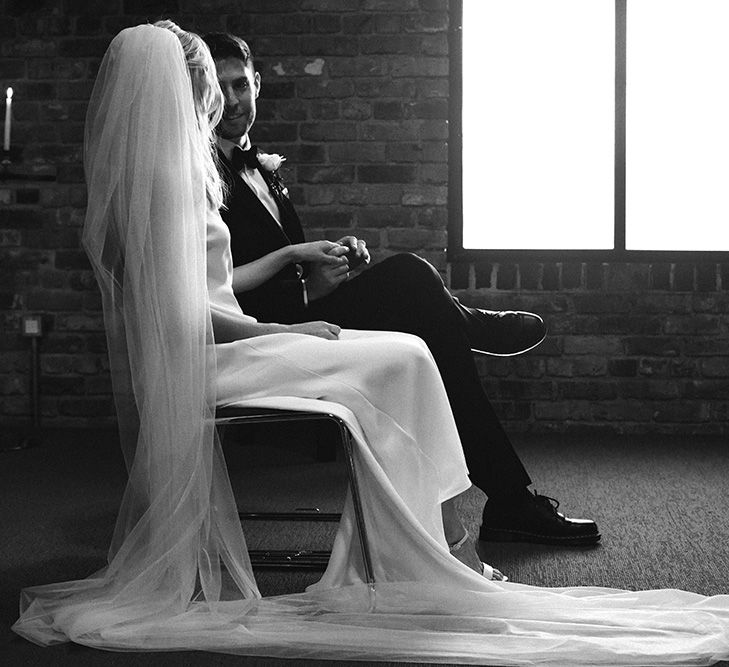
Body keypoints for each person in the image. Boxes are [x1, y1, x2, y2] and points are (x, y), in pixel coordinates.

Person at [12, 22, 729, 665]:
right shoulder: (167, 182)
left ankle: (421, 543)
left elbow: (212, 289)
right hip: (218, 354)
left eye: (229, 85)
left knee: (409, 343)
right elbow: (187, 313)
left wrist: (306, 288)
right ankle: (427, 540)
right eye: (203, 85)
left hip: (243, 336)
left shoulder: (187, 174)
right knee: (406, 348)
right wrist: (284, 327)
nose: (212, 100)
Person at [200, 31, 599, 548]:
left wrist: (323, 276)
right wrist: (297, 263)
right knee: (413, 281)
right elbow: (215, 290)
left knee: (425, 313)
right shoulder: (201, 172)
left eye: (241, 85)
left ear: (257, 84)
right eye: (220, 88)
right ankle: (471, 339)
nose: (233, 101)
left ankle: (506, 493)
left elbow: (278, 280)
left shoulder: (262, 169)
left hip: (294, 314)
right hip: (253, 338)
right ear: (204, 93)